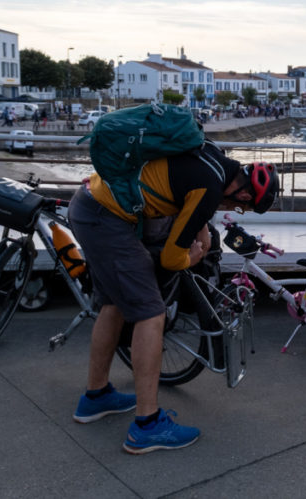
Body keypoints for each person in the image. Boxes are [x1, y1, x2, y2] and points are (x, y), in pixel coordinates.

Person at [67, 141, 279, 454]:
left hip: (92, 204)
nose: (234, 209)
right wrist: (191, 258)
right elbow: (170, 259)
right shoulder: (210, 191)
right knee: (151, 312)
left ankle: (96, 397)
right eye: (241, 207)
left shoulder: (213, 157)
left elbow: (182, 188)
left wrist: (203, 229)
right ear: (244, 194)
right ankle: (146, 426)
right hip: (107, 220)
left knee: (112, 305)